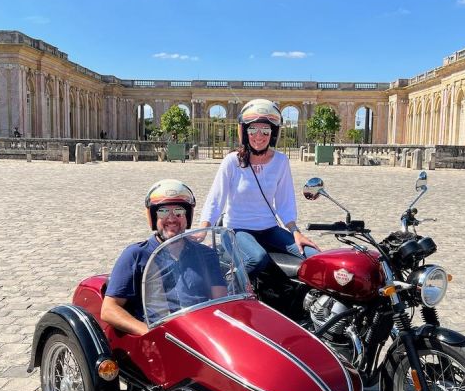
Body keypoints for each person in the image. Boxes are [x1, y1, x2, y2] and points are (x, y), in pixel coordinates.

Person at [199, 99, 320, 276]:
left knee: (314, 256)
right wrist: (203, 231)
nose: (259, 136)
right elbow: (216, 199)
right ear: (244, 132)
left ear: (273, 133)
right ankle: (227, 286)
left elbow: (284, 202)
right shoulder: (233, 161)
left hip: (269, 229)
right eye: (253, 129)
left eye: (265, 130)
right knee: (257, 259)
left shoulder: (281, 161)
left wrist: (296, 232)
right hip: (236, 229)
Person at [101, 179, 227, 336]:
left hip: (202, 332)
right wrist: (148, 331)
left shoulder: (206, 254)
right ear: (153, 217)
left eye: (179, 211)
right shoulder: (136, 255)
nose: (172, 218)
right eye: (163, 212)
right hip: (160, 338)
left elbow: (221, 302)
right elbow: (109, 309)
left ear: (188, 216)